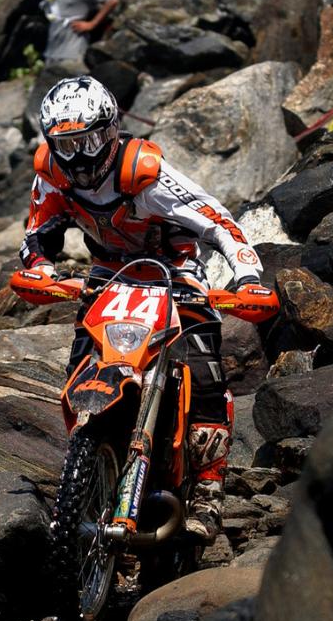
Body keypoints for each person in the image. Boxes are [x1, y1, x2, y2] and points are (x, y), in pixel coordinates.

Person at [19, 76, 275, 543]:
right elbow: (37, 232)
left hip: (174, 268)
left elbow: (219, 222)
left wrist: (248, 276)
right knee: (83, 362)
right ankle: (89, 463)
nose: (79, 158)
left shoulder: (148, 176)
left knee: (203, 365)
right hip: (108, 271)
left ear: (111, 131)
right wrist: (38, 267)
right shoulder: (51, 173)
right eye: (66, 146)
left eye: (89, 141)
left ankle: (208, 490)